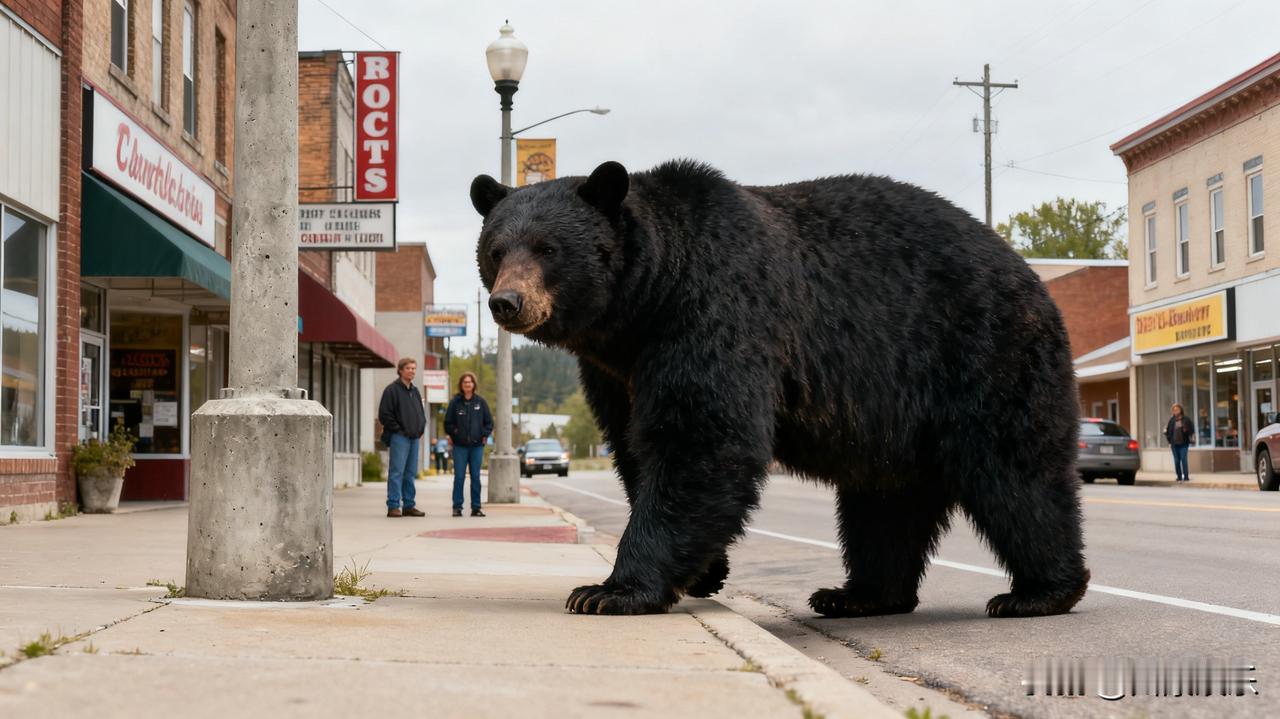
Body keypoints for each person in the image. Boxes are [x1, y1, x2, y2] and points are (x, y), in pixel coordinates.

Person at [378, 358, 428, 517]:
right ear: (400, 370)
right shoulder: (391, 390)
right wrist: (398, 430)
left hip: (414, 438)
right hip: (399, 437)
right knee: (396, 472)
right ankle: (393, 505)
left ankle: (409, 505)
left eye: (414, 368)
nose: (412, 371)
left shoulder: (415, 391)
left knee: (410, 473)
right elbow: (384, 415)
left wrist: (420, 428)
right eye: (408, 368)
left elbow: (421, 413)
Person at [444, 372, 493, 517]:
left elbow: (489, 423)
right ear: (461, 385)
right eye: (465, 382)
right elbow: (448, 423)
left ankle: (476, 507)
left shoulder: (481, 402)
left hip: (477, 446)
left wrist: (484, 434)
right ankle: (457, 507)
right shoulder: (455, 403)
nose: (467, 384)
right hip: (460, 446)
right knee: (459, 477)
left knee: (476, 477)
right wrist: (455, 433)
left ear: (474, 384)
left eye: (470, 382)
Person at [1165, 403, 1194, 483]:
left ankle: (1186, 476)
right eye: (1174, 410)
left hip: (1184, 444)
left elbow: (1191, 430)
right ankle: (1179, 476)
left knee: (1183, 459)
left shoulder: (1186, 419)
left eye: (1177, 409)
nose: (1175, 411)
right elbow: (1168, 431)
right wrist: (1169, 441)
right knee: (1176, 460)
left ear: (1181, 410)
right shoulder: (1172, 420)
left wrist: (1186, 430)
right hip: (1174, 444)